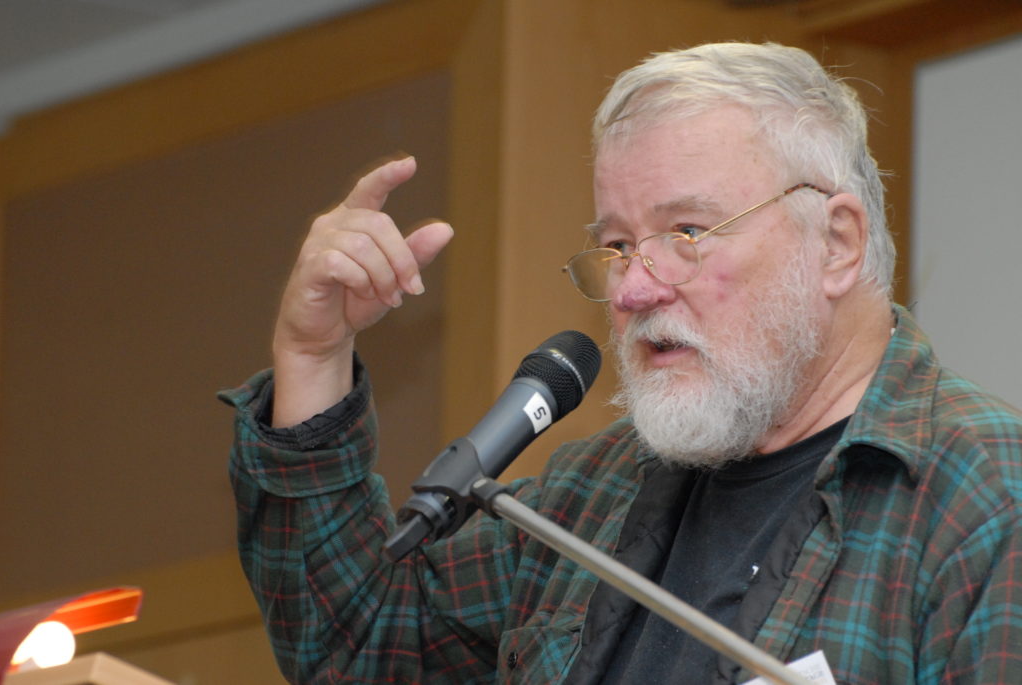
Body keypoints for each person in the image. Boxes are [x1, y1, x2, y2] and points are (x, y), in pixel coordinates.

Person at [221, 42, 1022, 683]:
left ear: (837, 243)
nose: (634, 287)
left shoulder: (984, 496)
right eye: (615, 245)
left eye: (686, 234)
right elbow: (362, 647)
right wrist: (314, 354)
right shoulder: (589, 496)